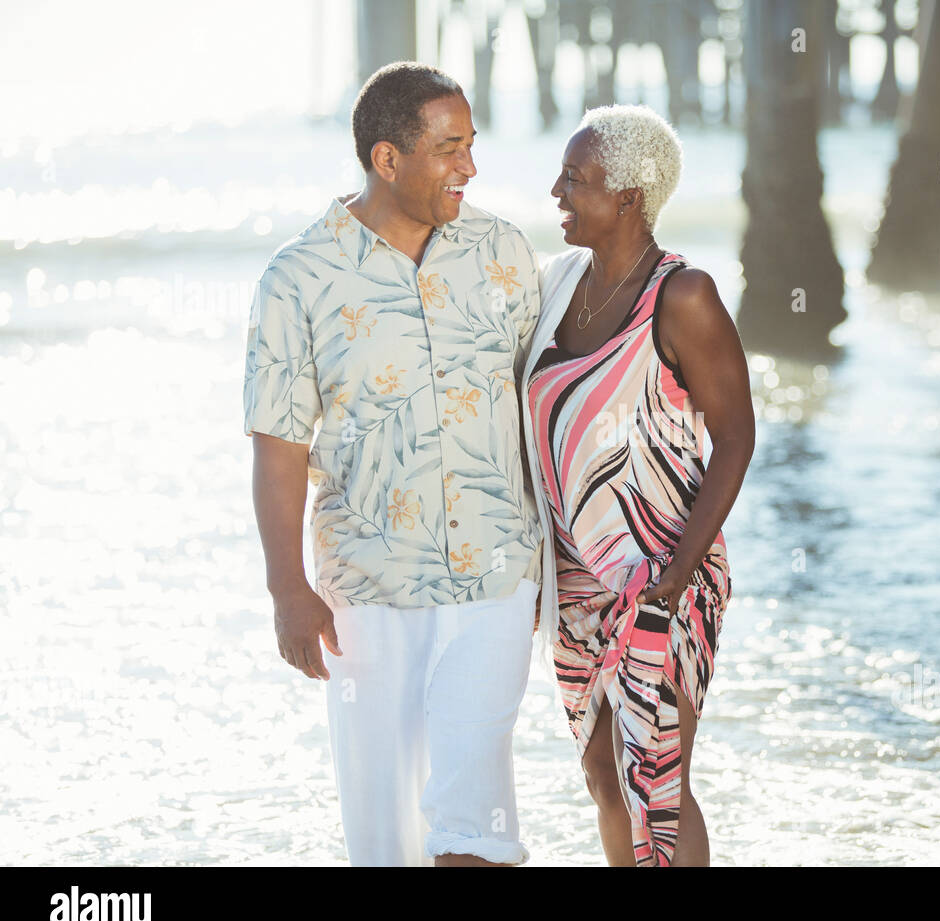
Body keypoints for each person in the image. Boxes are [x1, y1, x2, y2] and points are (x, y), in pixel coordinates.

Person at [243, 62, 544, 867]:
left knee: (475, 821)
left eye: (472, 145)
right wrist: (286, 591)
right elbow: (278, 446)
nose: (470, 167)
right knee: (383, 837)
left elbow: (542, 403)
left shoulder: (504, 253)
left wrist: (555, 563)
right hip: (366, 593)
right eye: (449, 148)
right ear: (387, 160)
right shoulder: (296, 280)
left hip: (497, 577)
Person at [522, 104, 755, 866]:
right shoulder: (557, 287)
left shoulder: (683, 297)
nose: (557, 191)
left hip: (664, 573)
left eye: (575, 179)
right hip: (575, 585)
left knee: (654, 777)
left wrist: (677, 574)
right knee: (600, 774)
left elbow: (736, 437)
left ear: (627, 197)